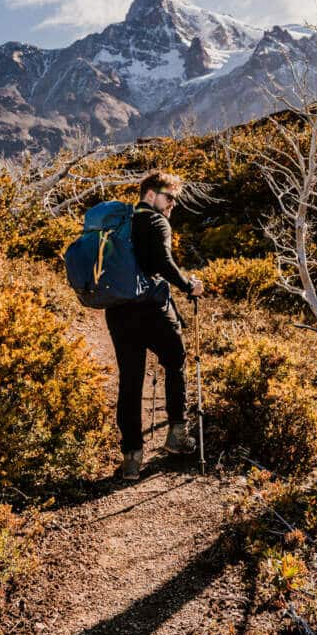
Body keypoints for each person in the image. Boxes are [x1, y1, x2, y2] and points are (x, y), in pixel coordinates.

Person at [105, 170, 204, 481]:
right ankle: (177, 436)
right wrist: (189, 286)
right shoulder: (157, 221)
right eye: (169, 196)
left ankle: (131, 459)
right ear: (151, 195)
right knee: (176, 362)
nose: (173, 204)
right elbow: (162, 261)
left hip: (119, 312)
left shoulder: (118, 223)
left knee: (130, 381)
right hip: (152, 309)